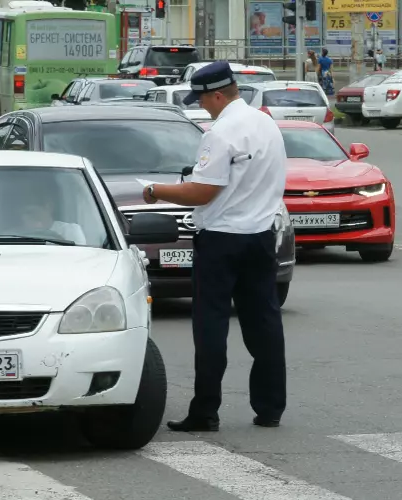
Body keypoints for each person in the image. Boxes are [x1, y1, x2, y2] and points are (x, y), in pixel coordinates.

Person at [140, 61, 288, 431]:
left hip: (222, 240)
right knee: (264, 323)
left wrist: (155, 191)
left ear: (218, 94)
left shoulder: (221, 133)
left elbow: (202, 192)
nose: (202, 105)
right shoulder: (265, 123)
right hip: (260, 236)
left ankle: (205, 411)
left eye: (203, 98)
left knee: (210, 328)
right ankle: (270, 408)